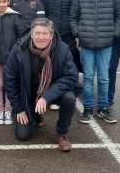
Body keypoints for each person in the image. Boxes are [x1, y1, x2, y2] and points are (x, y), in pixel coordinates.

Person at [4, 18, 82, 151]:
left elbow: (70, 77)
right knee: (23, 136)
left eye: (45, 33)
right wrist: (19, 109)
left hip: (52, 90)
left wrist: (46, 97)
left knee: (69, 98)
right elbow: (10, 80)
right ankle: (35, 114)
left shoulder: (62, 49)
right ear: (31, 34)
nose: (41, 37)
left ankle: (62, 133)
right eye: (37, 33)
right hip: (28, 93)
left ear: (51, 35)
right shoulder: (18, 50)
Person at [69, 0, 120, 124]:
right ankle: (87, 109)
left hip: (105, 44)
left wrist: (114, 34)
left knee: (103, 78)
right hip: (86, 45)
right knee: (87, 77)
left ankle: (103, 108)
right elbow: (73, 18)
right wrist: (78, 33)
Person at [39, 0, 82, 111]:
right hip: (53, 34)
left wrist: (78, 34)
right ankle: (55, 96)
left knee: (70, 66)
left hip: (70, 33)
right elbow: (44, 13)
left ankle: (69, 94)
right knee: (53, 65)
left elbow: (79, 12)